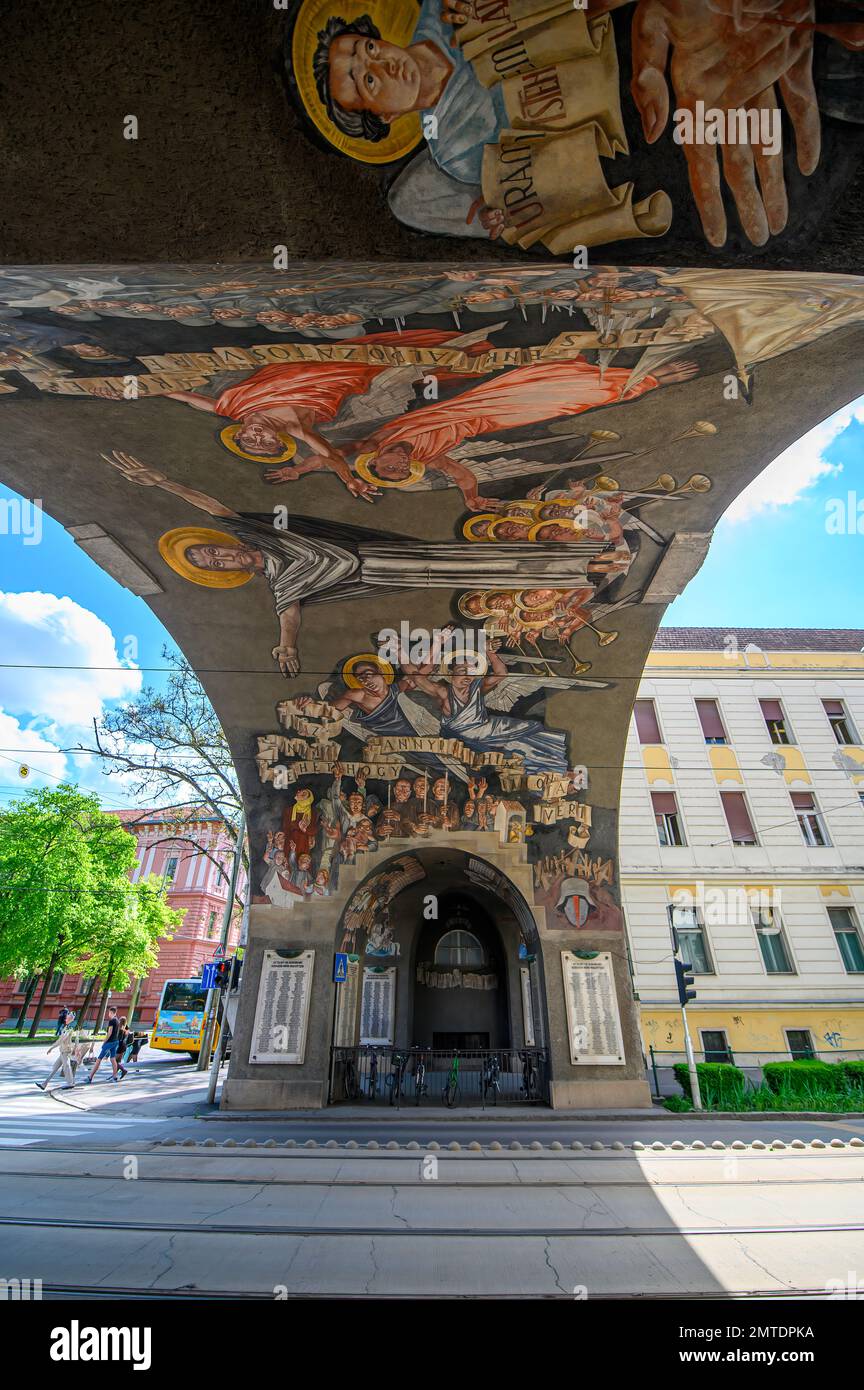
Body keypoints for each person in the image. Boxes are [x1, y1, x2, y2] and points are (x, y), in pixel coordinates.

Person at [37, 1025, 79, 1090]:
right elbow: (60, 1039)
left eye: (69, 1016)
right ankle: (44, 1084)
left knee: (67, 1067)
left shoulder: (70, 1028)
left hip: (66, 1052)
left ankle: (70, 1083)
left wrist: (52, 1047)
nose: (67, 1018)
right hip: (62, 1052)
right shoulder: (65, 1027)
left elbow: (62, 1040)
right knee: (55, 1068)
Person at [87, 1007, 122, 1084]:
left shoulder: (112, 1021)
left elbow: (109, 1033)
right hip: (115, 1041)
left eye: (109, 1013)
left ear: (112, 1013)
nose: (108, 1014)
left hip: (109, 1042)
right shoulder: (117, 1021)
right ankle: (115, 1077)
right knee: (113, 1059)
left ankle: (90, 1077)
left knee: (98, 1059)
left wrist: (104, 1042)